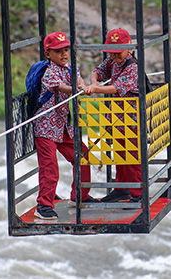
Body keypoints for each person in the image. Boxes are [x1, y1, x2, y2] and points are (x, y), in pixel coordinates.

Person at [33, 31, 97, 220]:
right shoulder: (49, 72)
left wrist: (83, 84)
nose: (63, 54)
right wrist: (79, 89)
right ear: (48, 53)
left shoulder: (69, 68)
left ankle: (80, 197)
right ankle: (43, 205)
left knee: (83, 157)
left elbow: (77, 80)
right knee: (50, 168)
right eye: (58, 51)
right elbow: (61, 87)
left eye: (66, 50)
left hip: (62, 127)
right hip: (45, 128)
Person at [84, 28, 142, 203]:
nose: (115, 56)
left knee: (132, 156)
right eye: (112, 52)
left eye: (118, 53)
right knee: (119, 153)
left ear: (129, 49)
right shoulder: (112, 61)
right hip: (116, 118)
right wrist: (94, 82)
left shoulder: (133, 66)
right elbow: (96, 71)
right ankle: (121, 188)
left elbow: (117, 88)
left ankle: (138, 193)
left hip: (132, 118)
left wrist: (96, 89)